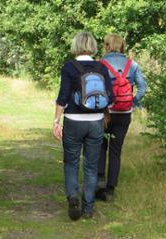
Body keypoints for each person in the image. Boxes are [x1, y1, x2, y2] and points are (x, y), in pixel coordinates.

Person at [53, 32, 113, 220]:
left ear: (76, 45)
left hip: (73, 121)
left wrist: (56, 121)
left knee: (71, 162)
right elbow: (111, 97)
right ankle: (88, 208)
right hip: (96, 122)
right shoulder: (102, 67)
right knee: (91, 165)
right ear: (93, 46)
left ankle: (72, 196)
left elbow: (63, 97)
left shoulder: (69, 67)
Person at [96, 33, 147, 201]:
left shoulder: (100, 64)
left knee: (101, 146)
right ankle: (110, 190)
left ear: (107, 46)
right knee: (116, 151)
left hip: (105, 113)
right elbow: (142, 87)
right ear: (122, 46)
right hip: (124, 114)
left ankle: (100, 182)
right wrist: (133, 101)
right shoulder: (132, 65)